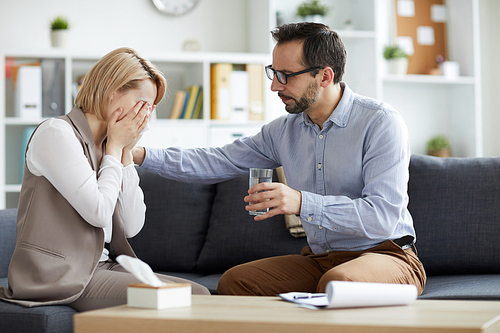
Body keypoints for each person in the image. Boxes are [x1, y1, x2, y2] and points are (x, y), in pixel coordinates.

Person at [132, 23, 426, 296]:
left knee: (338, 284)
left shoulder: (381, 123)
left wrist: (300, 202)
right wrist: (138, 154)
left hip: (387, 255)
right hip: (321, 261)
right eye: (272, 72)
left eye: (285, 75)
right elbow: (217, 160)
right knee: (235, 282)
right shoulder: (282, 132)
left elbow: (383, 218)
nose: (274, 86)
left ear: (324, 76)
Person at [0, 47, 210, 312]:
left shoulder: (108, 146)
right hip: (56, 273)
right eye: (141, 104)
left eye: (151, 108)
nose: (145, 117)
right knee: (184, 300)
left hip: (100, 266)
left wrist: (124, 154)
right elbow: (99, 213)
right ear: (111, 89)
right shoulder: (56, 133)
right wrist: (115, 149)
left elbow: (132, 227)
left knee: (200, 293)